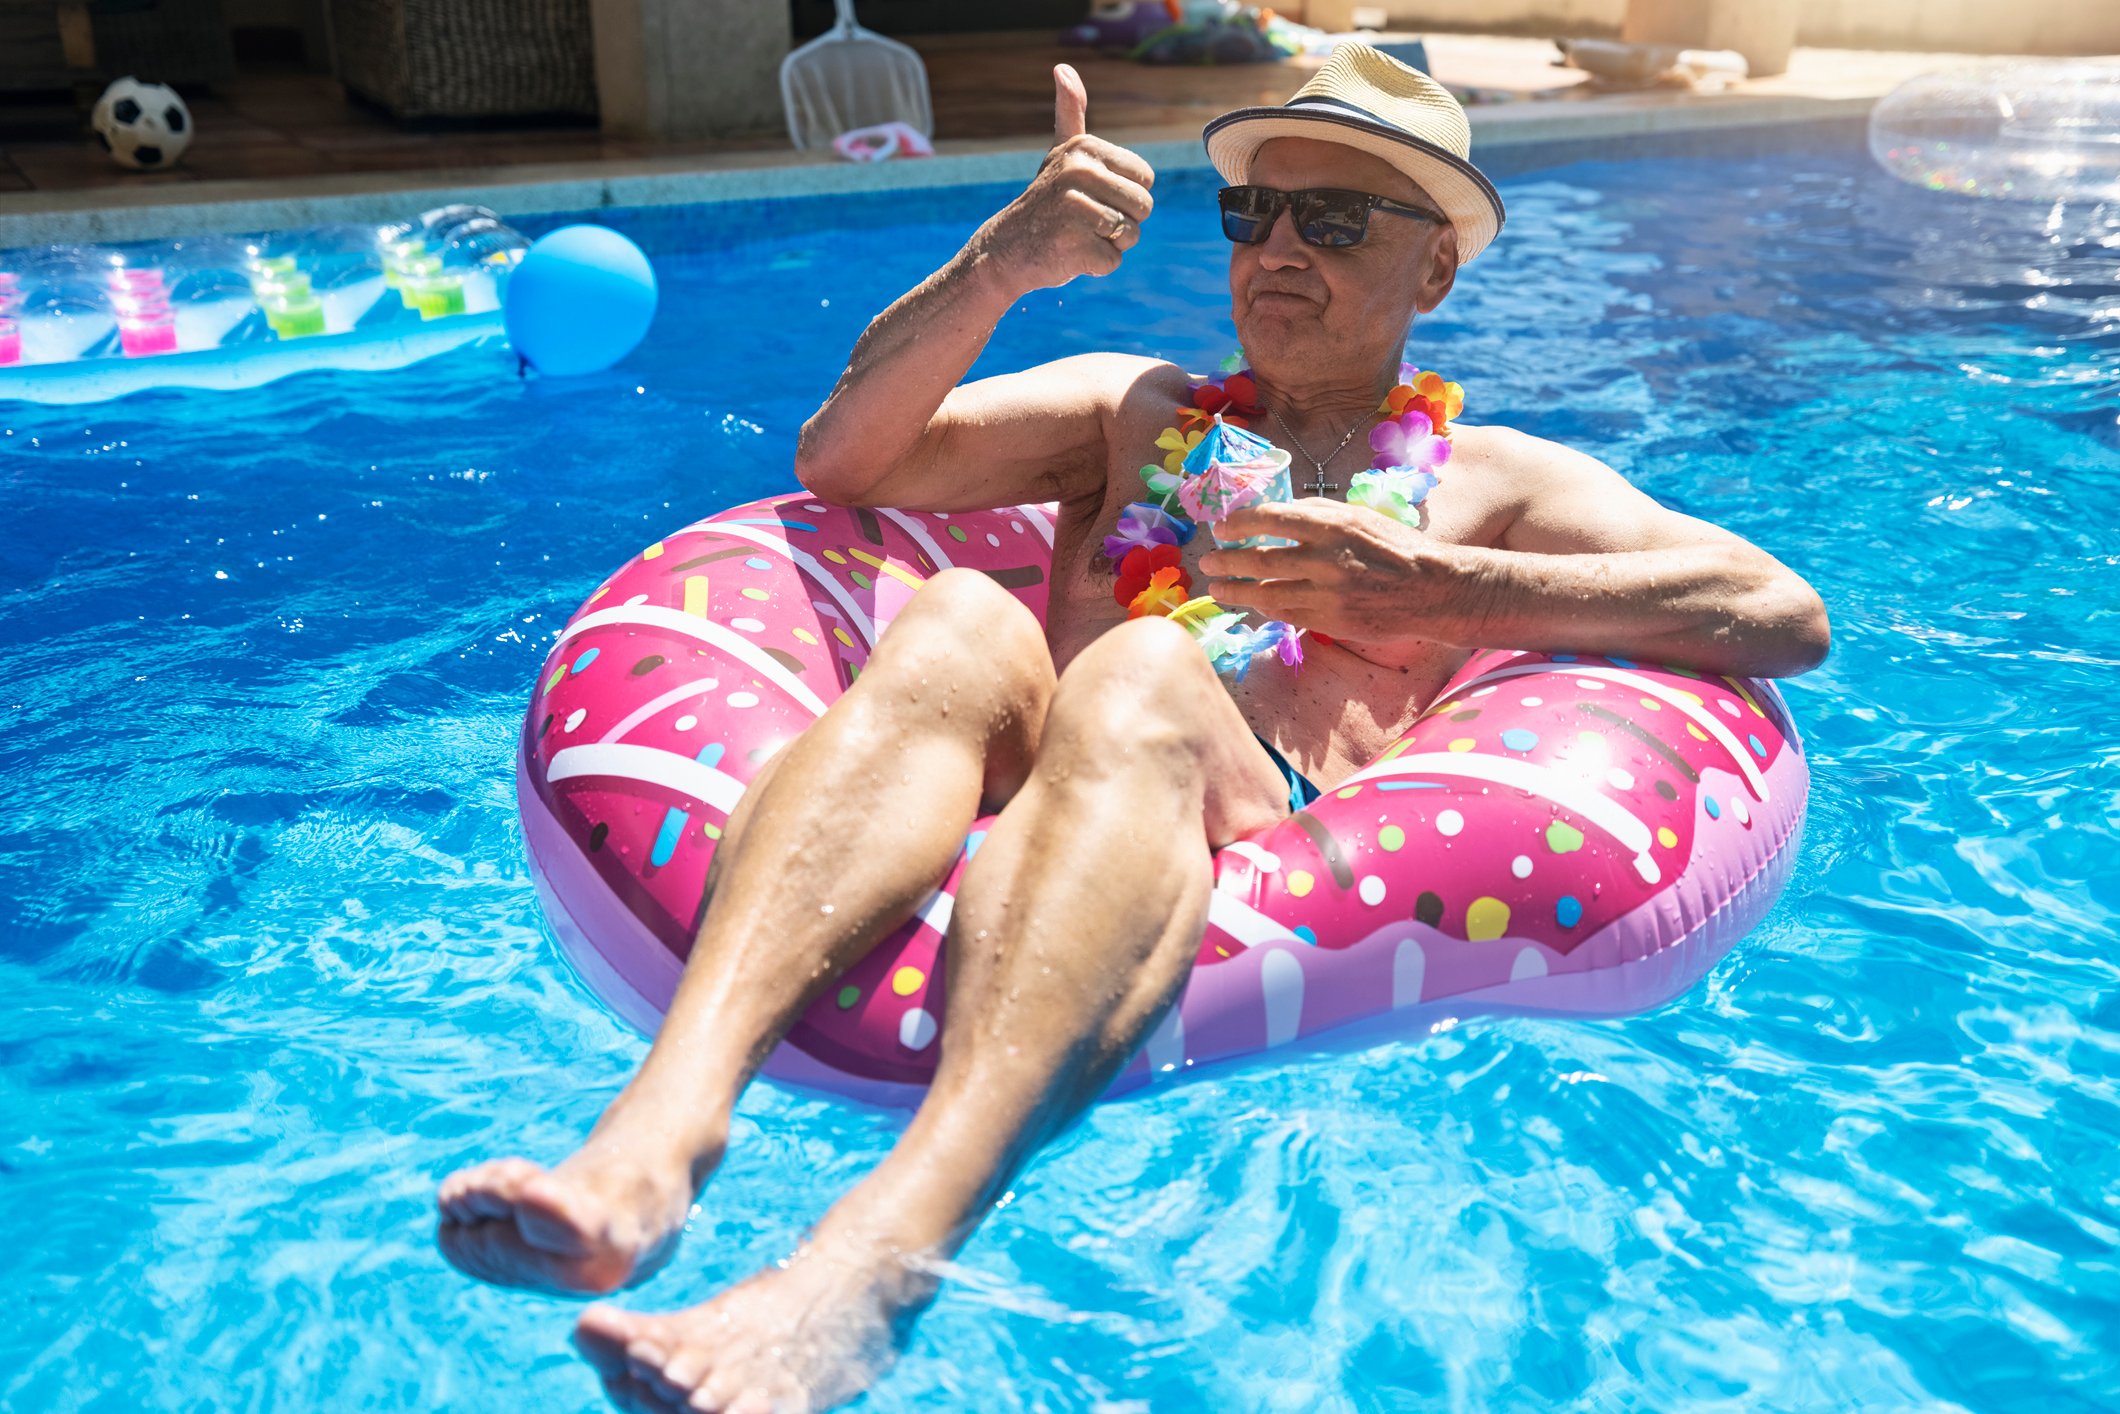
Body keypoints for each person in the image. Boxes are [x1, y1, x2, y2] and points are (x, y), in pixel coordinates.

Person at [436, 46, 1830, 1414]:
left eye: (1332, 220)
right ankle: (654, 1138)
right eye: (1253, 211)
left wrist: (1438, 585)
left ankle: (879, 1258)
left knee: (1142, 677)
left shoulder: (1487, 484)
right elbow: (845, 462)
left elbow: (1780, 610)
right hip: (1021, 776)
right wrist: (1003, 264)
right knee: (964, 620)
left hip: (1235, 824)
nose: (1277, 246)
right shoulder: (1138, 408)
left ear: (1434, 271)